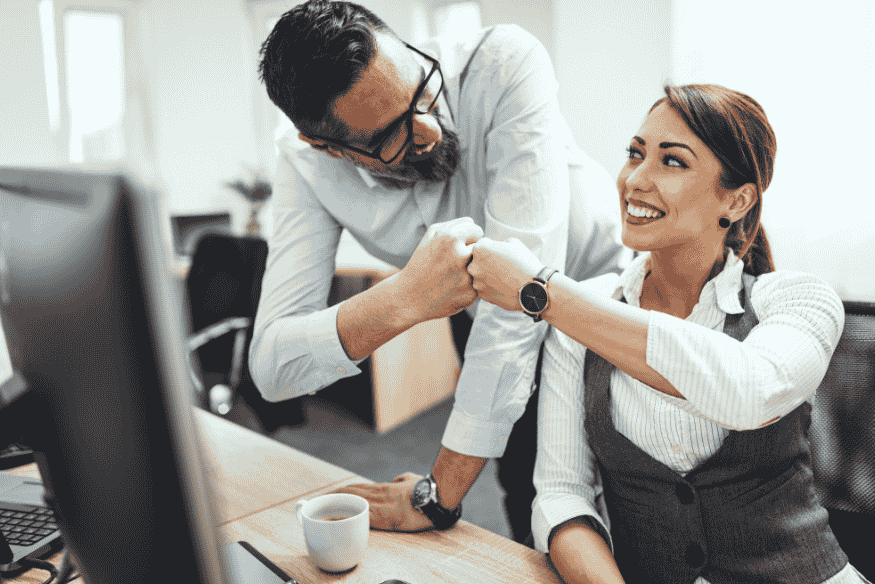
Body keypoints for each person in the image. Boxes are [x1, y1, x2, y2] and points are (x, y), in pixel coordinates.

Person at [251, 0, 626, 543]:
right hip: (480, 316)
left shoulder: (501, 65)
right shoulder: (303, 164)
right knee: (528, 487)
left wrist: (437, 495)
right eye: (388, 137)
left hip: (606, 297)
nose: (428, 129)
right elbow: (271, 366)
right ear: (325, 147)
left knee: (634, 500)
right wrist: (401, 300)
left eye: (422, 89)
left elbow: (519, 299)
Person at [467, 83, 870, 583]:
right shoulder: (584, 311)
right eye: (635, 154)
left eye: (672, 162)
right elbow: (561, 493)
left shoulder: (797, 300)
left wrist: (543, 293)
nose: (635, 180)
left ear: (738, 199)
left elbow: (746, 390)